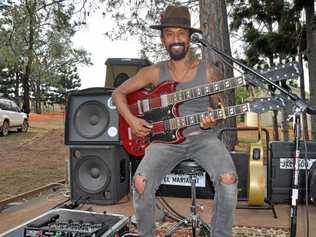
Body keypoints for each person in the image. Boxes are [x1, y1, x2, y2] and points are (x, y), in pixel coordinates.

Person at [112, 5, 237, 237]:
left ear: (190, 37)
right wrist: (131, 121)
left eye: (181, 33)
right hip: (164, 141)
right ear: (162, 39)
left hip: (203, 137)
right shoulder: (153, 72)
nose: (175, 39)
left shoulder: (208, 71)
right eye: (169, 34)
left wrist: (214, 117)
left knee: (228, 179)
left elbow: (221, 108)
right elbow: (117, 94)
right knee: (140, 182)